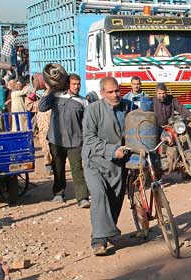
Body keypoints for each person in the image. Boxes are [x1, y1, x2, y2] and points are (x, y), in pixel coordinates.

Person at [82, 77, 132, 256]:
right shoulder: (93, 110)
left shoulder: (128, 106)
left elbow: (142, 121)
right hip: (95, 161)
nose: (115, 95)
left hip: (118, 163)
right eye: (110, 92)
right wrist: (111, 150)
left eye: (117, 91)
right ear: (102, 93)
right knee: (99, 195)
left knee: (115, 198)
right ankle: (98, 240)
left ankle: (108, 231)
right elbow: (89, 139)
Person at [38, 74, 90, 208]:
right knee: (58, 168)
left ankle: (82, 198)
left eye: (78, 84)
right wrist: (50, 89)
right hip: (56, 140)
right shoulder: (56, 96)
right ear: (67, 85)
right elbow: (42, 107)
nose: (77, 86)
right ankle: (59, 193)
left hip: (75, 141)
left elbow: (87, 123)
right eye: (74, 84)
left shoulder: (83, 102)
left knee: (77, 170)